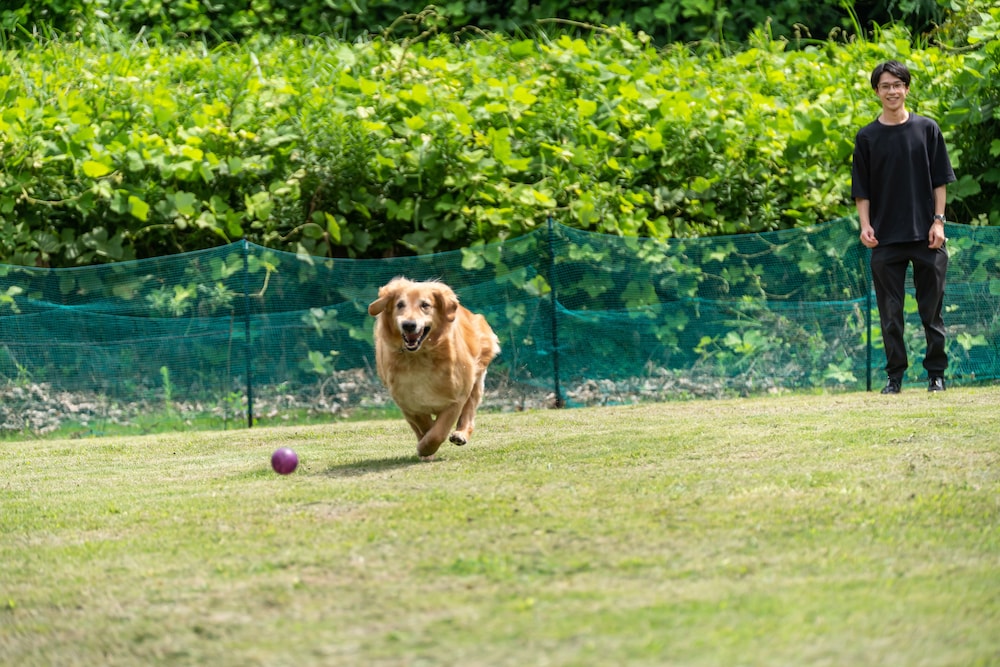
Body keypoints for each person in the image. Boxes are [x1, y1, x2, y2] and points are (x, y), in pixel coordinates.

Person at [851, 60, 956, 394]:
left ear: (907, 88)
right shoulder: (867, 137)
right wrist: (865, 226)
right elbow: (861, 189)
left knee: (931, 313)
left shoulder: (927, 129)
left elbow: (941, 181)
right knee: (890, 315)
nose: (892, 91)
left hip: (927, 236)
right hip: (884, 239)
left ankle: (936, 375)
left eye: (898, 84)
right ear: (877, 92)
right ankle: (894, 378)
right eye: (885, 86)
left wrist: (938, 222)